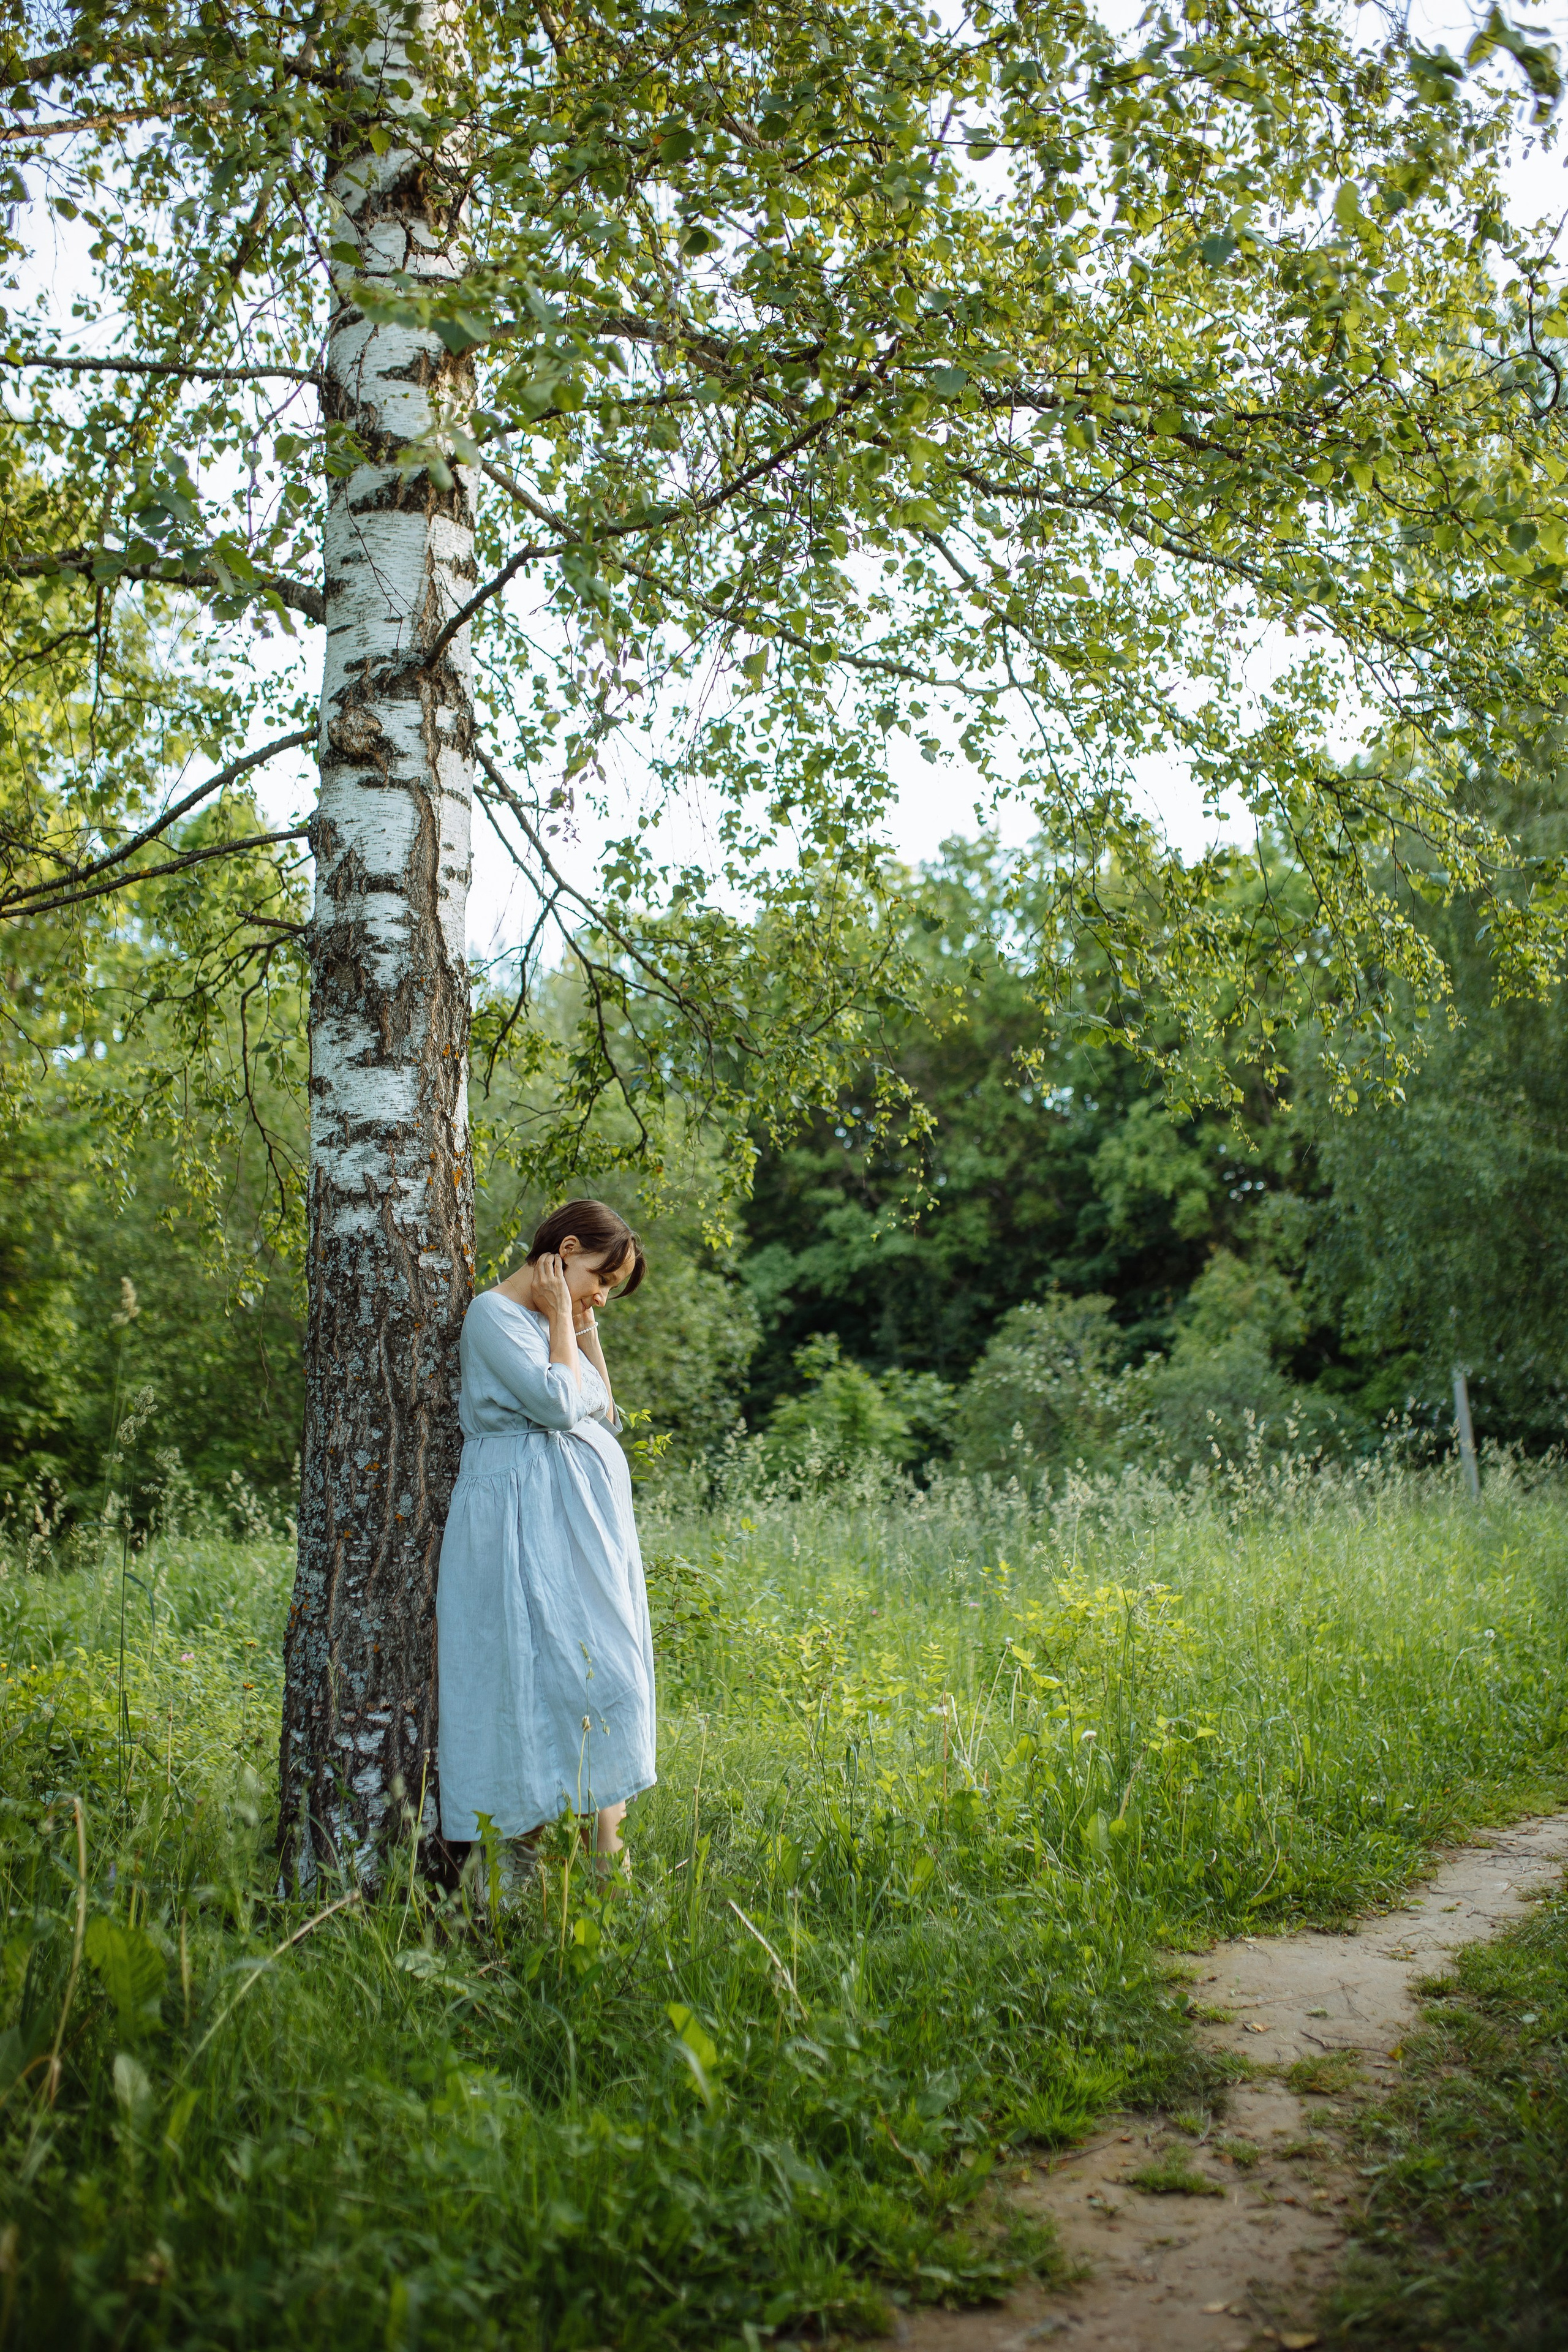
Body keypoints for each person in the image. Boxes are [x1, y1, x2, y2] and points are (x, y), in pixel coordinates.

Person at [436, 1200, 654, 1871]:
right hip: (519, 1523)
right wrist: (565, 1316)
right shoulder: (493, 1316)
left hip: (573, 1531)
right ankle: (509, 1880)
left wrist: (581, 1326)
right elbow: (560, 1406)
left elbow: (604, 1410)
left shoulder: (553, 1322)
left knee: (607, 1680)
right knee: (521, 1680)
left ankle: (607, 1871)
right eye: (600, 1278)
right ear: (564, 1250)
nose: (602, 1297)